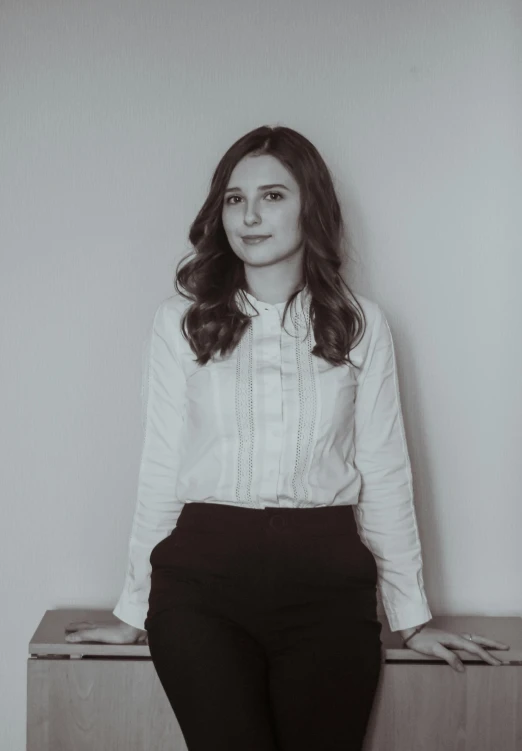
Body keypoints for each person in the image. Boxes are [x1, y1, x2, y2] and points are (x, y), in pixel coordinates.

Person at [65, 125, 509, 750]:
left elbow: (384, 472)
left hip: (327, 587)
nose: (249, 215)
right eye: (233, 198)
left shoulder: (362, 325)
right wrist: (132, 611)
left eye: (272, 196)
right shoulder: (179, 323)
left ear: (311, 207)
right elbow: (162, 467)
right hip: (200, 585)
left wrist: (413, 619)